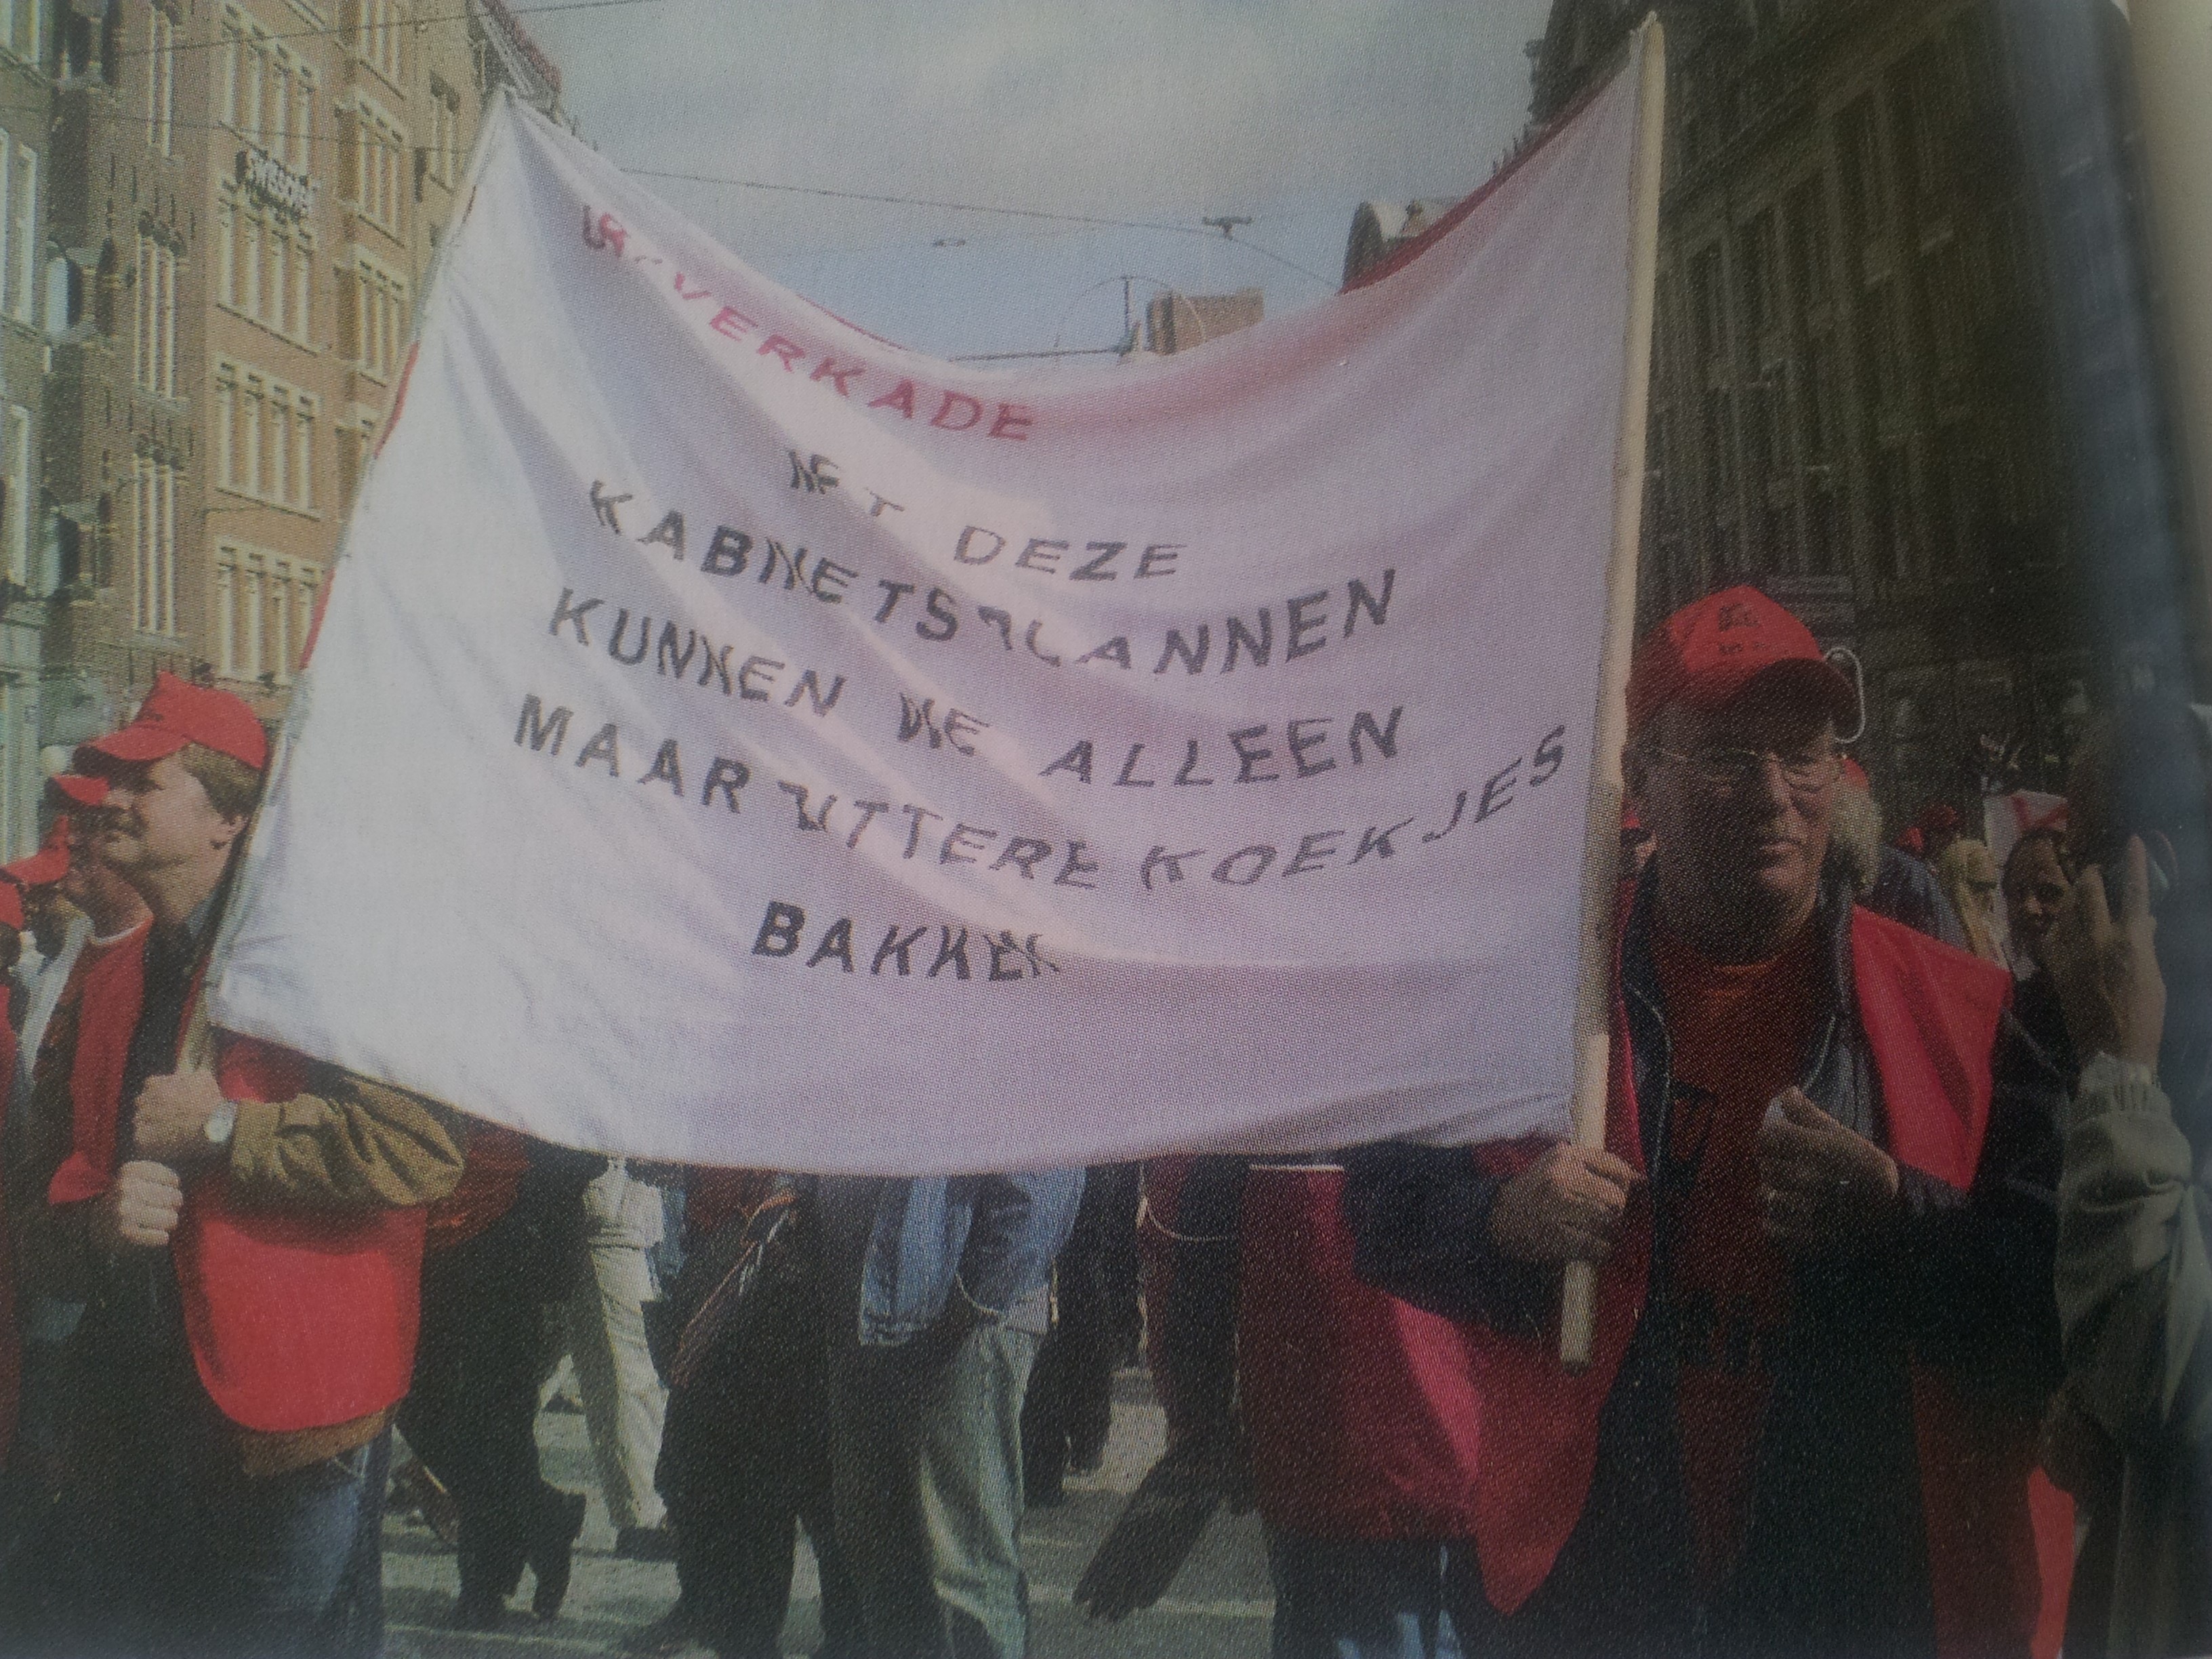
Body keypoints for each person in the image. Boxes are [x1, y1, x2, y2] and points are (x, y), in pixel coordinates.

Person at [1343, 586, 2070, 1658]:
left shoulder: (1966, 1016)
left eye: (1804, 753)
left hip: (1855, 1597)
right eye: (1728, 756)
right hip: (1595, 1591)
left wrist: (1898, 1218)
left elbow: (2059, 1313)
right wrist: (1503, 1220)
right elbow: (1386, 1207)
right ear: (1641, 780)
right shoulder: (1539, 997)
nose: (1775, 793)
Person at [5, 672, 467, 1658]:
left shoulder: (329, 958)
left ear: (229, 818)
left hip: (290, 1428)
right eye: (110, 782)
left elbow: (421, 1149)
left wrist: (225, 1131)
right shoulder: (110, 972)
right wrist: (95, 1222)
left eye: (146, 783)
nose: (111, 803)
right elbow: (38, 1205)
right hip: (130, 1432)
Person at [2037, 693, 2212, 1659]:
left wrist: (2116, 1074)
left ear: (2155, 868)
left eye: (2088, 856)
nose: (2070, 904)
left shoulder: (2146, 1060)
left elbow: (2167, 1371)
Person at [817, 1170, 1082, 1658]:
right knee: (880, 1542)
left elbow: (1043, 1178)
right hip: (863, 1298)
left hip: (961, 1317)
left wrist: (977, 1296)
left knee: (965, 1562)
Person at [632, 1167, 862, 1659]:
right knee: (700, 1477)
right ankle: (719, 1617)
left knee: (815, 1493)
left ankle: (846, 1636)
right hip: (723, 1275)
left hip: (804, 1284)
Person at [400, 1123, 602, 1629]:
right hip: (421, 1217)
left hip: (508, 1224)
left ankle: (484, 1586)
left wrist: (549, 1208)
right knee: (415, 1406)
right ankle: (541, 1515)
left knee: (498, 1418)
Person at [551, 1156, 672, 1560]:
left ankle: (451, 1476)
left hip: (608, 1206)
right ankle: (642, 1514)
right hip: (607, 1211)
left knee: (551, 1362)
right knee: (625, 1370)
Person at [2002, 826, 2078, 1082]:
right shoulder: (2019, 1005)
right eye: (2018, 894)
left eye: (2048, 893)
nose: (2029, 908)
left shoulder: (2112, 998)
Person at [1939, 838, 2011, 966]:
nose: (1989, 897)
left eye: (1992, 888)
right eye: (1980, 888)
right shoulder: (1941, 935)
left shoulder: (1999, 934)